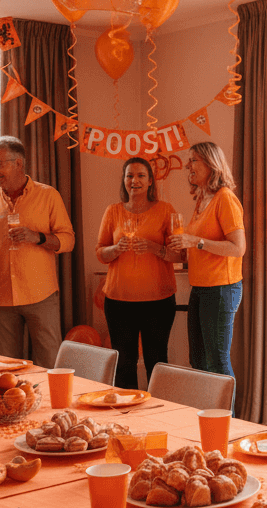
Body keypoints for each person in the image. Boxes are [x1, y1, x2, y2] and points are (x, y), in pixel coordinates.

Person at [0, 135, 75, 370]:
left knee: (50, 363)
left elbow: (68, 241)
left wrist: (37, 237)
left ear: (18, 163)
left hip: (41, 293)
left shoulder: (48, 195)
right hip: (0, 296)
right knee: (7, 367)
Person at [96, 158, 182, 389]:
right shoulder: (112, 211)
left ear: (150, 181)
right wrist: (115, 249)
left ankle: (160, 412)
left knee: (157, 362)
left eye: (141, 175)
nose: (134, 181)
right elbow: (100, 253)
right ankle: (128, 416)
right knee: (124, 362)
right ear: (124, 180)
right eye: (129, 175)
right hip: (118, 301)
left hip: (158, 301)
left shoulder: (165, 210)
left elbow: (180, 256)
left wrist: (156, 248)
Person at [167, 142, 245, 383]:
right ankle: (207, 417)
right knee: (199, 360)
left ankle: (228, 421)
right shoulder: (202, 199)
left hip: (221, 289)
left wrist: (196, 242)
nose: (188, 166)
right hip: (200, 288)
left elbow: (238, 248)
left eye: (194, 160)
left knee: (217, 363)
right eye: (188, 161)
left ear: (212, 164)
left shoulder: (225, 199)